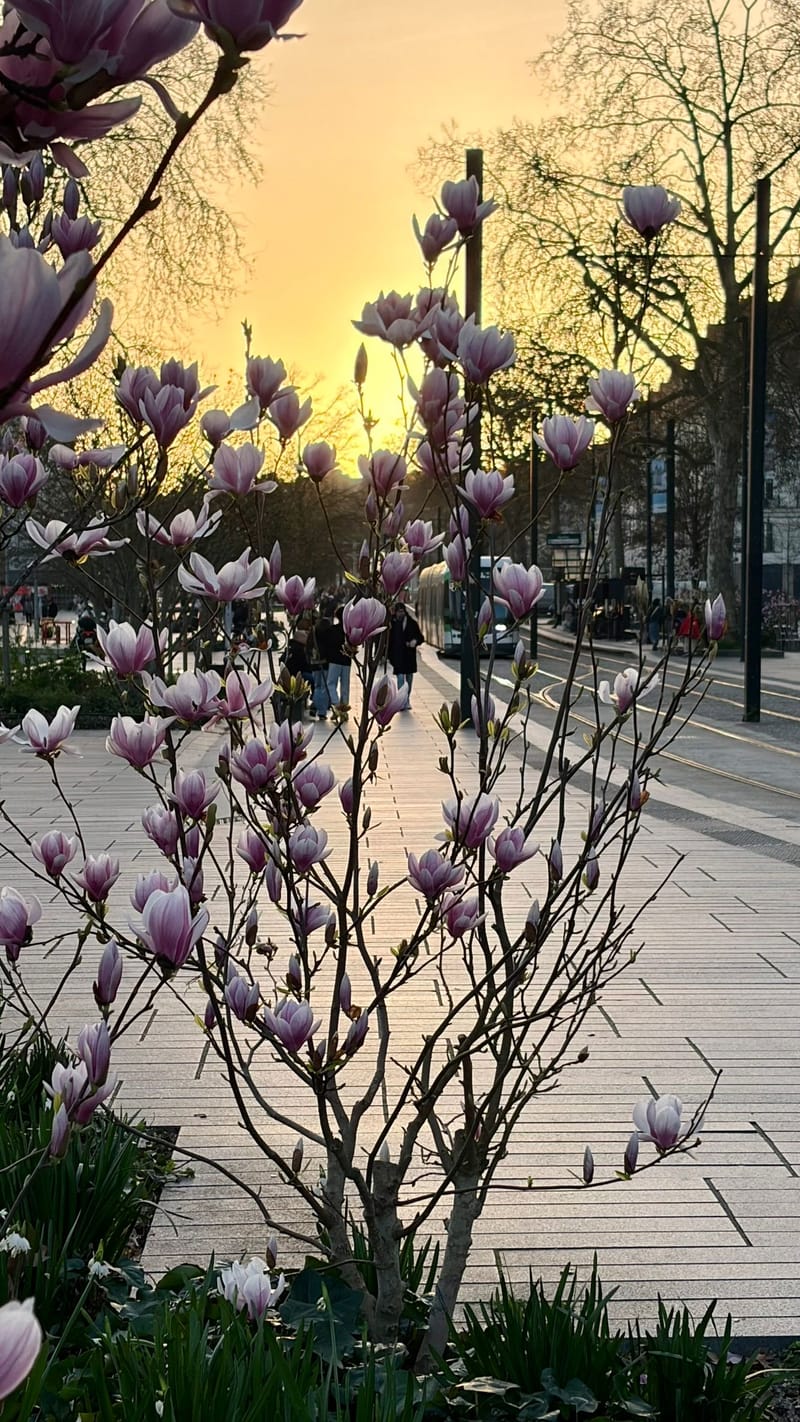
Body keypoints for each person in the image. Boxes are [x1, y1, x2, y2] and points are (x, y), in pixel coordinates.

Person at [317, 603, 351, 717]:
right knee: (345, 686)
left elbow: (322, 638)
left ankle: (336, 705)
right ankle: (344, 710)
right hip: (347, 661)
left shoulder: (332, 630)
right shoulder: (349, 632)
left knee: (331, 683)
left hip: (334, 661)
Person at [387, 602, 423, 706]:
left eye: (402, 612)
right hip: (397, 656)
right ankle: (402, 701)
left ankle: (407, 698)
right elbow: (388, 640)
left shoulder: (412, 623)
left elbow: (420, 637)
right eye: (398, 612)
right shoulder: (391, 623)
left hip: (409, 656)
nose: (400, 614)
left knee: (409, 679)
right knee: (400, 678)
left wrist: (415, 641)